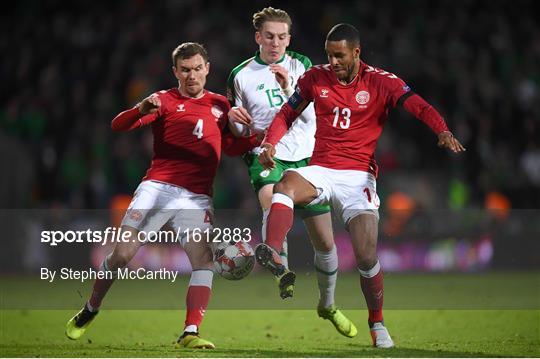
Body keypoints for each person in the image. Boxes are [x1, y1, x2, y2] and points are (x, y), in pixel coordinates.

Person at [257, 24, 466, 348]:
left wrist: (441, 129)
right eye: (329, 55)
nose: (333, 62)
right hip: (322, 168)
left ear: (356, 52)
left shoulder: (382, 82)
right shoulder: (315, 78)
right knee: (284, 187)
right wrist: (270, 144)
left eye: (339, 55)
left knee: (366, 256)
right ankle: (271, 250)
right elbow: (287, 113)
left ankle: (377, 322)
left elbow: (419, 106)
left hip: (359, 177)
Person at [65, 42, 259, 349]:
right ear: (175, 72)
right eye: (185, 70)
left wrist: (252, 134)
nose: (192, 75)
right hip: (157, 189)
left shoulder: (222, 105)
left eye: (197, 68)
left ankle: (190, 331)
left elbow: (233, 148)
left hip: (196, 198)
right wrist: (139, 109)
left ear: (207, 68)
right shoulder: (164, 101)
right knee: (122, 255)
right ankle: (91, 307)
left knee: (203, 260)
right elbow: (118, 126)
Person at [226, 7, 356, 338]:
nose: (275, 43)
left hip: (309, 157)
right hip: (268, 154)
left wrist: (288, 90)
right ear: (258, 37)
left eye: (282, 36)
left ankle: (327, 304)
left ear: (289, 38)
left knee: (325, 243)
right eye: (269, 36)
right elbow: (239, 133)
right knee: (272, 198)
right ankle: (278, 263)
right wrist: (235, 124)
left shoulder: (304, 66)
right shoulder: (240, 75)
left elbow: (316, 113)